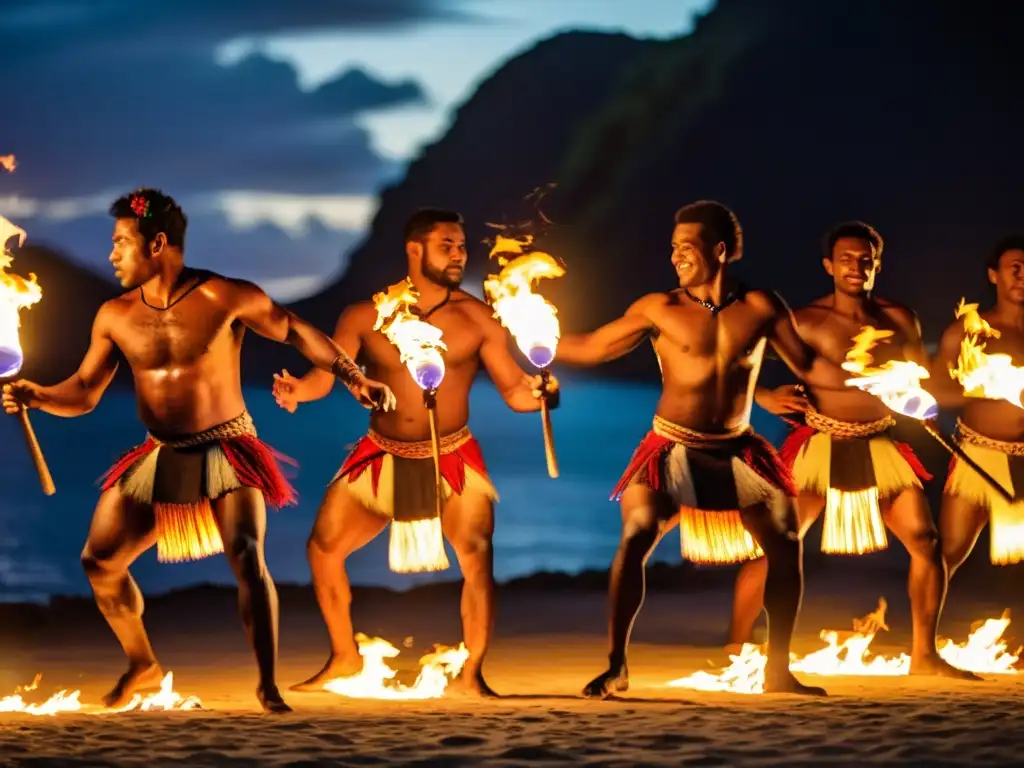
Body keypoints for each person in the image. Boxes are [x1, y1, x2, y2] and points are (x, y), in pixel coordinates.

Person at [1, 188, 396, 713]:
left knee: (247, 558)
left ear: (157, 243)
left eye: (122, 242)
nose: (113, 254)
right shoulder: (114, 315)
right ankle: (142, 665)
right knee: (100, 562)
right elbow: (85, 393)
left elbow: (297, 331)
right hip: (159, 453)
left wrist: (354, 377)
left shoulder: (224, 296)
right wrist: (41, 395)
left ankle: (267, 685)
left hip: (228, 448)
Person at [555, 200, 852, 698]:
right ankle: (616, 665)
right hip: (672, 445)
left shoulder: (760, 306)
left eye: (686, 247)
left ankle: (777, 669)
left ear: (719, 250)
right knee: (637, 533)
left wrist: (872, 381)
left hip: (738, 449)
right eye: (673, 248)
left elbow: (807, 364)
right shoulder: (659, 308)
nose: (676, 257)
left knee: (784, 541)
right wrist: (532, 338)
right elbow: (591, 347)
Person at [273, 208, 559, 697]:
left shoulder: (478, 319)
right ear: (415, 249)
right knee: (323, 549)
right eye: (446, 244)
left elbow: (514, 392)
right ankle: (344, 657)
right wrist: (299, 390)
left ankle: (472, 674)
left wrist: (543, 394)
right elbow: (329, 374)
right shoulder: (366, 316)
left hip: (453, 455)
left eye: (462, 246)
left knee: (476, 557)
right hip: (382, 454)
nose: (458, 254)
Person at [741, 221, 976, 679]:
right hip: (820, 442)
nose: (856, 266)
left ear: (877, 264)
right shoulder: (804, 321)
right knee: (779, 545)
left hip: (879, 441)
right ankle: (737, 639)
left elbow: (920, 378)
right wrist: (765, 397)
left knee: (926, 544)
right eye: (846, 259)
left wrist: (927, 395)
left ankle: (924, 656)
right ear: (829, 266)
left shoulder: (900, 319)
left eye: (866, 259)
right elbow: (734, 359)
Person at [934, 236, 1024, 576]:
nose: (1022, 275)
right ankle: (922, 631)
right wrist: (993, 389)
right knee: (949, 554)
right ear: (993, 275)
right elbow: (937, 393)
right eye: (1014, 268)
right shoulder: (966, 332)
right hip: (979, 455)